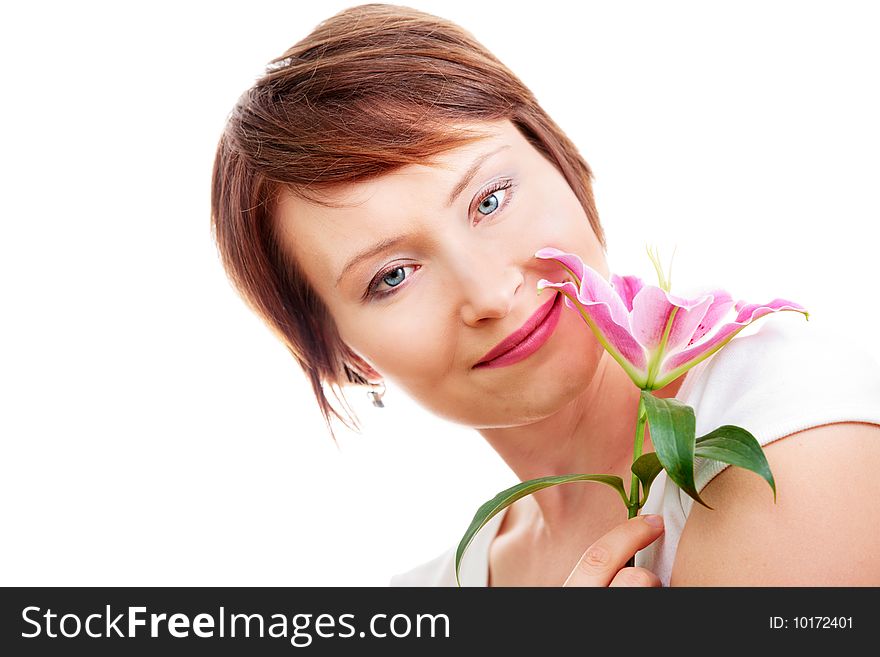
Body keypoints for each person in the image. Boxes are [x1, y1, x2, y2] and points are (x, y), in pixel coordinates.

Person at [210, 3, 880, 586]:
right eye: (392, 276)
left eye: (490, 199)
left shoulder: (783, 429)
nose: (489, 293)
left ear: (559, 158)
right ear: (345, 356)